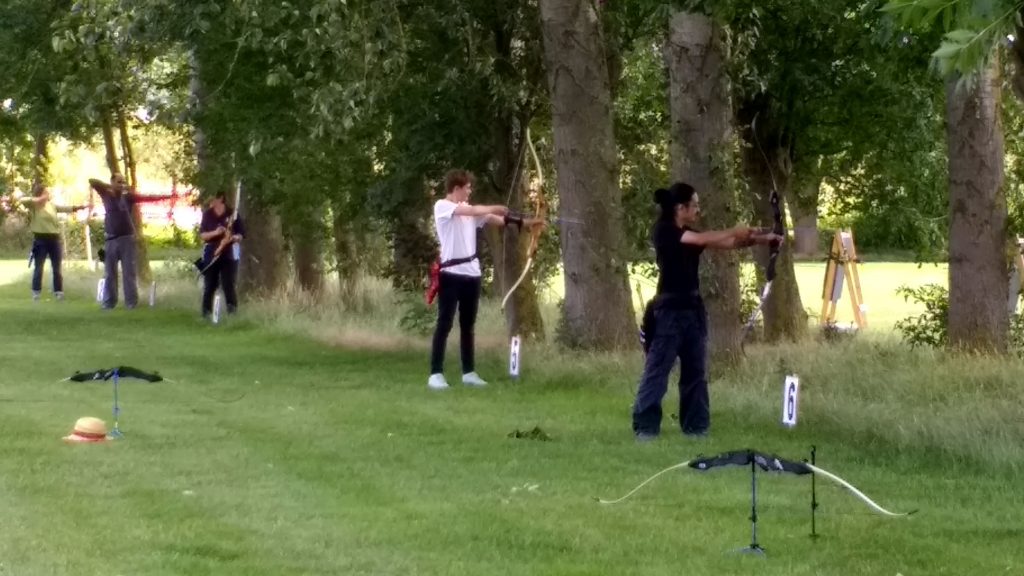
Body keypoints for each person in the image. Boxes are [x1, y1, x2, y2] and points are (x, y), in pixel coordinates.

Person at [632, 182, 782, 441]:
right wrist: (734, 229)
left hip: (693, 311)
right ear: (681, 208)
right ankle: (646, 428)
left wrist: (762, 238)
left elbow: (726, 243)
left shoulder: (687, 232)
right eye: (695, 205)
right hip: (668, 312)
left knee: (696, 372)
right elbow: (704, 238)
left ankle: (696, 428)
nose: (698, 210)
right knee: (658, 370)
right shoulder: (664, 231)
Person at [427, 168, 542, 390]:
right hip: (450, 275)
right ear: (457, 188)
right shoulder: (443, 207)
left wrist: (527, 223)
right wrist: (493, 206)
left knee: (468, 325)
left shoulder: (469, 210)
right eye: (467, 187)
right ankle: (435, 374)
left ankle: (469, 372)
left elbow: (493, 218)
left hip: (472, 274)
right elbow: (477, 211)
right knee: (444, 323)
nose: (470, 191)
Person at [88, 173, 175, 309]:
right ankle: (109, 302)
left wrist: (167, 196)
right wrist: (112, 188)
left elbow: (146, 198)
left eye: (123, 182)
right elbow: (92, 180)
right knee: (110, 273)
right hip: (110, 239)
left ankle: (131, 303)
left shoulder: (127, 197)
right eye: (119, 182)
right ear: (112, 182)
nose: (122, 184)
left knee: (129, 272)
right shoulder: (106, 194)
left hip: (127, 239)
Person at [16, 184, 87, 300]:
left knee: (56, 268)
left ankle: (59, 292)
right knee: (39, 267)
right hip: (40, 240)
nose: (48, 195)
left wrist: (80, 207)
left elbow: (65, 208)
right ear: (40, 193)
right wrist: (39, 199)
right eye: (45, 192)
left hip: (54, 239)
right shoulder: (34, 205)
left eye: (48, 193)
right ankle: (36, 293)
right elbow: (22, 200)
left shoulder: (51, 205)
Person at [197, 192, 245, 318]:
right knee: (210, 284)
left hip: (228, 254)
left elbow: (241, 234)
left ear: (221, 199)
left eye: (213, 198)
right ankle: (206, 313)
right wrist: (216, 232)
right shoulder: (207, 215)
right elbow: (203, 235)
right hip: (211, 253)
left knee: (228, 284)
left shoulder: (232, 214)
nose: (211, 201)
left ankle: (232, 313)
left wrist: (233, 237)